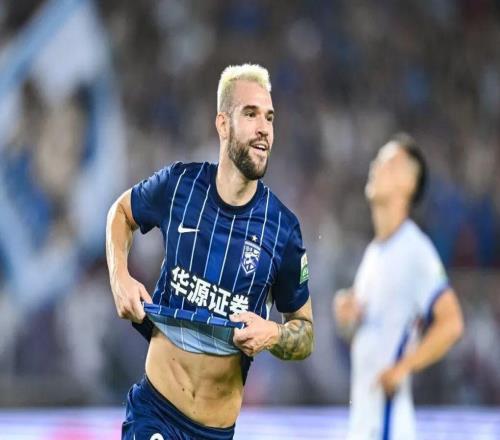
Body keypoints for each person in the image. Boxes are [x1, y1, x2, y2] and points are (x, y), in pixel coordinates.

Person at [106, 64, 314, 440]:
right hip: (155, 413)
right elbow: (121, 213)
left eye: (269, 117)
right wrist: (120, 277)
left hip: (216, 431)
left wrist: (273, 334)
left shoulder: (283, 229)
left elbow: (305, 333)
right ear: (222, 124)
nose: (264, 128)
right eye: (250, 114)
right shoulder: (179, 185)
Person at [333, 133, 464, 440]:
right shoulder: (374, 253)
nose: (375, 166)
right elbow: (371, 338)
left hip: (388, 424)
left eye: (388, 162)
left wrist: (403, 368)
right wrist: (347, 318)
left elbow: (452, 323)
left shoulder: (415, 249)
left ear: (409, 183)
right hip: (366, 422)